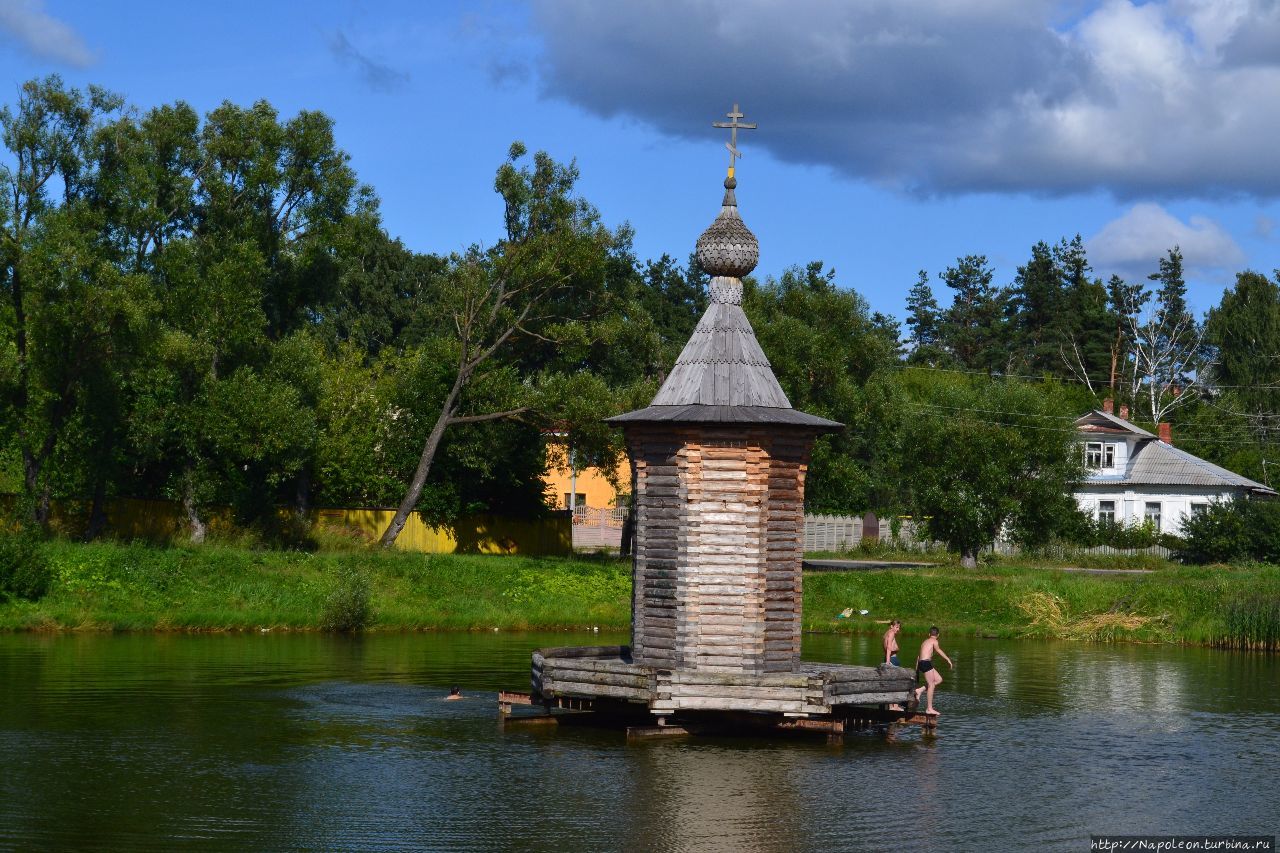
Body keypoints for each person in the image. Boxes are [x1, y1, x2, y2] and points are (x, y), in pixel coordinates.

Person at [911, 626, 953, 716]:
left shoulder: (924, 642)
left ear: (929, 634)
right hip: (926, 663)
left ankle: (920, 690)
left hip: (922, 663)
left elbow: (919, 656)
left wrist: (917, 669)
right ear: (938, 635)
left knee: (939, 680)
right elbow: (938, 650)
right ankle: (929, 709)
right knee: (931, 685)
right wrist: (948, 659)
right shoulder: (935, 641)